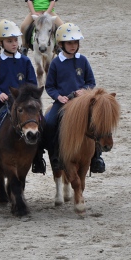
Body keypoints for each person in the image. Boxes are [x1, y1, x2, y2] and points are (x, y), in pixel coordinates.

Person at [0, 19, 40, 172]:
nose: (14, 44)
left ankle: (38, 157)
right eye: (9, 41)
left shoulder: (26, 61)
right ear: (1, 43)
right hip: (1, 102)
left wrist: (24, 97)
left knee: (43, 122)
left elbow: (32, 83)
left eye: (16, 40)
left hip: (23, 104)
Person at [44, 23, 100, 172]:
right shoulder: (56, 63)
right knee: (49, 123)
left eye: (75, 42)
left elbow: (91, 82)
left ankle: (97, 157)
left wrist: (85, 90)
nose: (73, 46)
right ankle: (54, 155)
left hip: (82, 102)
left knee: (97, 122)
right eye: (69, 43)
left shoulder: (83, 60)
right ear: (61, 44)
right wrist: (58, 97)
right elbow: (49, 86)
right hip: (63, 102)